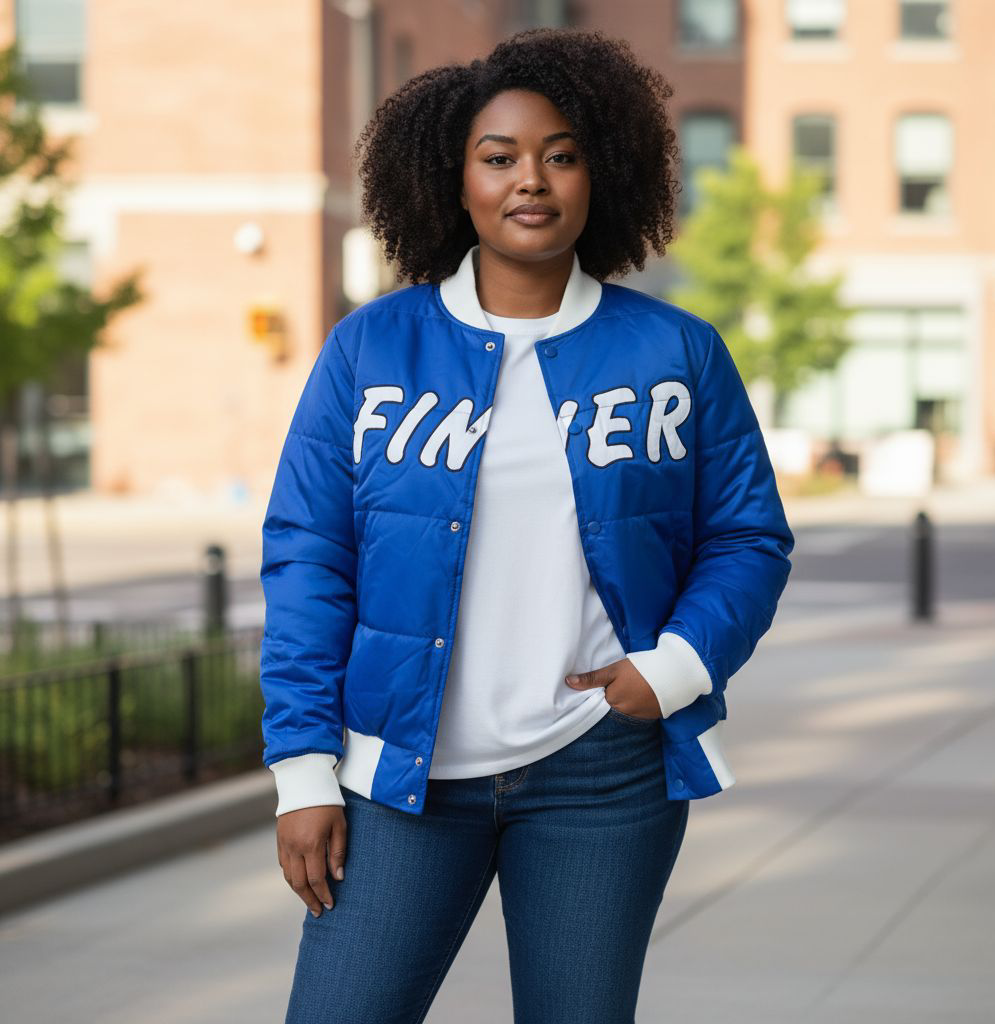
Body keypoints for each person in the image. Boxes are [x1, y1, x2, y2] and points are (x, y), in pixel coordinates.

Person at [259, 26, 795, 1024]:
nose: (530, 181)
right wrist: (301, 773)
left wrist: (676, 665)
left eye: (560, 154)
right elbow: (307, 560)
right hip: (399, 779)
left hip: (601, 776)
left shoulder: (672, 351)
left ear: (602, 173)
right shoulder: (372, 349)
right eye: (497, 157)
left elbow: (747, 535)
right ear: (451, 179)